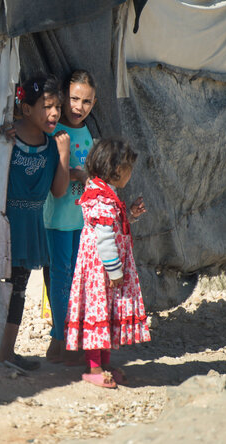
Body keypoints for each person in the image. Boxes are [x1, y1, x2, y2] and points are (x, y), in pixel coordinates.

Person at [66, 138, 151, 388]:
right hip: (101, 273)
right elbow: (104, 239)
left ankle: (102, 363)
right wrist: (114, 270)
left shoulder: (105, 194)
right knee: (97, 312)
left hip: (104, 272)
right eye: (128, 169)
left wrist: (131, 215)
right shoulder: (101, 199)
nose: (130, 174)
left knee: (104, 313)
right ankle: (94, 367)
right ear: (115, 170)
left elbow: (114, 227)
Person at [0, 74, 70, 371]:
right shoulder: (8, 137)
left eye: (58, 107)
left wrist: (64, 155)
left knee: (19, 286)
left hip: (30, 226)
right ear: (26, 108)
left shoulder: (52, 146)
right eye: (47, 106)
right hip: (4, 223)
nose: (54, 113)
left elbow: (58, 190)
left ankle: (6, 351)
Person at [42, 70, 97, 365]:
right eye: (74, 98)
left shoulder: (87, 133)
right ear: (64, 97)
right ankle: (61, 339)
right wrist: (79, 174)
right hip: (57, 219)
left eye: (86, 101)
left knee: (76, 280)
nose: (79, 106)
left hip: (80, 220)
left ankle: (66, 338)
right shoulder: (55, 130)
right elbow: (50, 170)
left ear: (94, 102)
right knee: (62, 279)